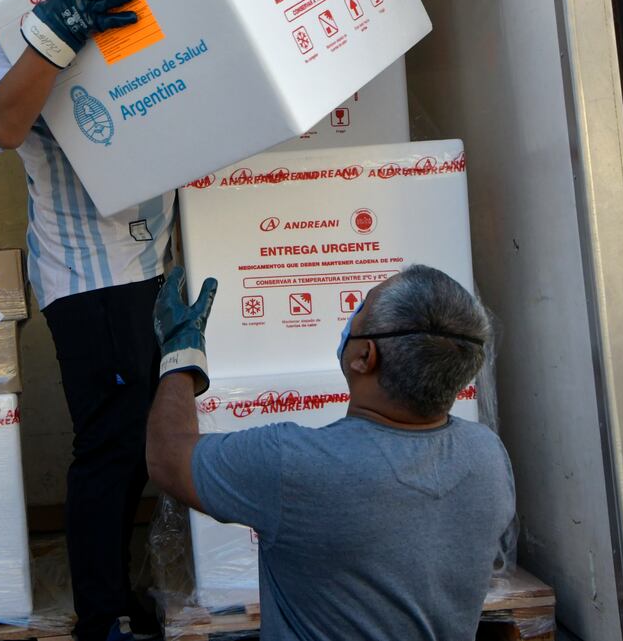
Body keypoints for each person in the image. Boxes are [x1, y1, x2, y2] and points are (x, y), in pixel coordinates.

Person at [0, 0, 175, 641]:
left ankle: (117, 591)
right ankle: (103, 613)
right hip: (86, 277)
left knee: (140, 446)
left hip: (151, 262)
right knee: (110, 444)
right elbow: (2, 126)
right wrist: (53, 36)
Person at [147, 265, 517, 641]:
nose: (351, 317)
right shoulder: (487, 455)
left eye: (360, 309)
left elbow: (167, 456)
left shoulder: (296, 464)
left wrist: (181, 353)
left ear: (365, 356)